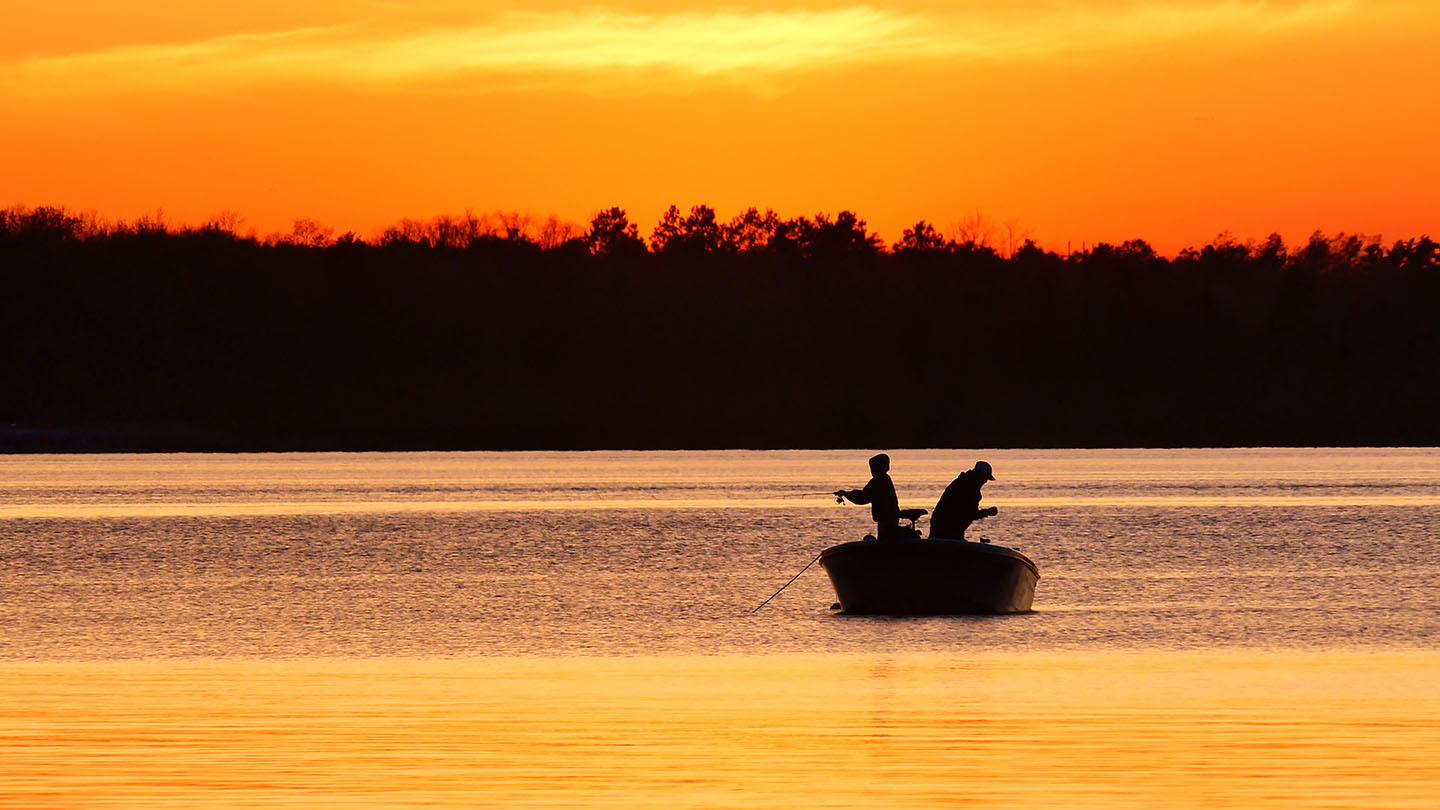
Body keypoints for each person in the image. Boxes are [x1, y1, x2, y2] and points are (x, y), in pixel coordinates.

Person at [834, 453, 901, 540]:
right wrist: (846, 494)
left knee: (885, 540)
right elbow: (864, 495)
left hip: (886, 519)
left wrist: (846, 494)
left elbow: (863, 497)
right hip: (890, 517)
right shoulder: (885, 479)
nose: (872, 470)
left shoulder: (878, 481)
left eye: (873, 468)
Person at [930, 461, 998, 541]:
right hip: (948, 528)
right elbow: (971, 514)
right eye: (985, 478)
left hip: (940, 524)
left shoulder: (962, 481)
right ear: (980, 476)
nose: (985, 481)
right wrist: (988, 512)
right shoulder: (970, 488)